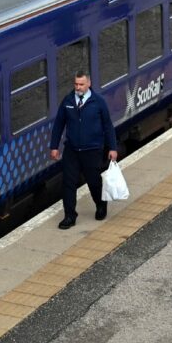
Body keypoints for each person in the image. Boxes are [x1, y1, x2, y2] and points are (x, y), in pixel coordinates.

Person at [49, 71, 118, 229]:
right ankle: (69, 216)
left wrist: (113, 147)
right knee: (68, 183)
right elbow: (59, 124)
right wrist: (54, 146)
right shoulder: (68, 101)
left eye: (81, 84)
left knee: (94, 182)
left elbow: (108, 125)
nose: (78, 87)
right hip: (72, 150)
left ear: (89, 84)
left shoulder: (98, 101)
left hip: (92, 150)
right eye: (76, 84)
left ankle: (101, 205)